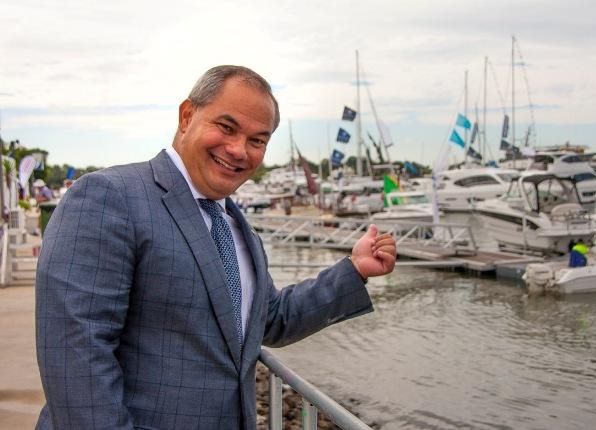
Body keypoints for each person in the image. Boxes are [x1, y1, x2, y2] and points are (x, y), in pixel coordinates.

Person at [35, 65, 396, 430]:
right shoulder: (109, 196)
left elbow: (270, 319)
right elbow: (75, 355)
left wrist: (355, 269)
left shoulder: (238, 227)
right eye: (226, 127)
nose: (239, 150)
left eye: (257, 140)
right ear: (187, 116)